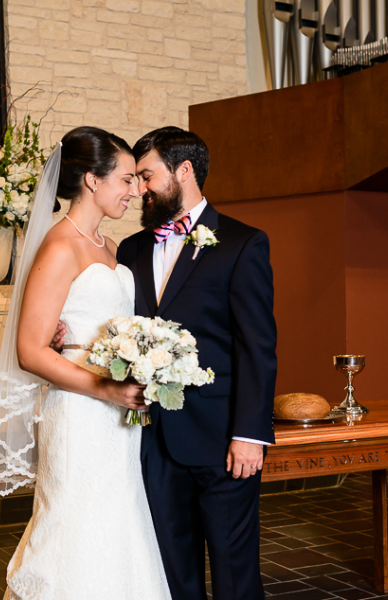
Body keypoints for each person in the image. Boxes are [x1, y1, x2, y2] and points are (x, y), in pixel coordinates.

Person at [0, 126, 172, 600]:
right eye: (126, 179)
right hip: (80, 415)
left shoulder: (111, 248)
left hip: (119, 422)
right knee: (74, 525)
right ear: (92, 179)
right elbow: (30, 350)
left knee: (117, 525)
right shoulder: (59, 246)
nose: (136, 190)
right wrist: (104, 388)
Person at [117, 127, 277, 600]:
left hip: (222, 440)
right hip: (152, 439)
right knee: (172, 573)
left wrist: (249, 435)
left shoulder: (243, 244)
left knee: (234, 575)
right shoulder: (130, 250)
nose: (140, 188)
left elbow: (257, 347)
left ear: (184, 171)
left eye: (147, 176)